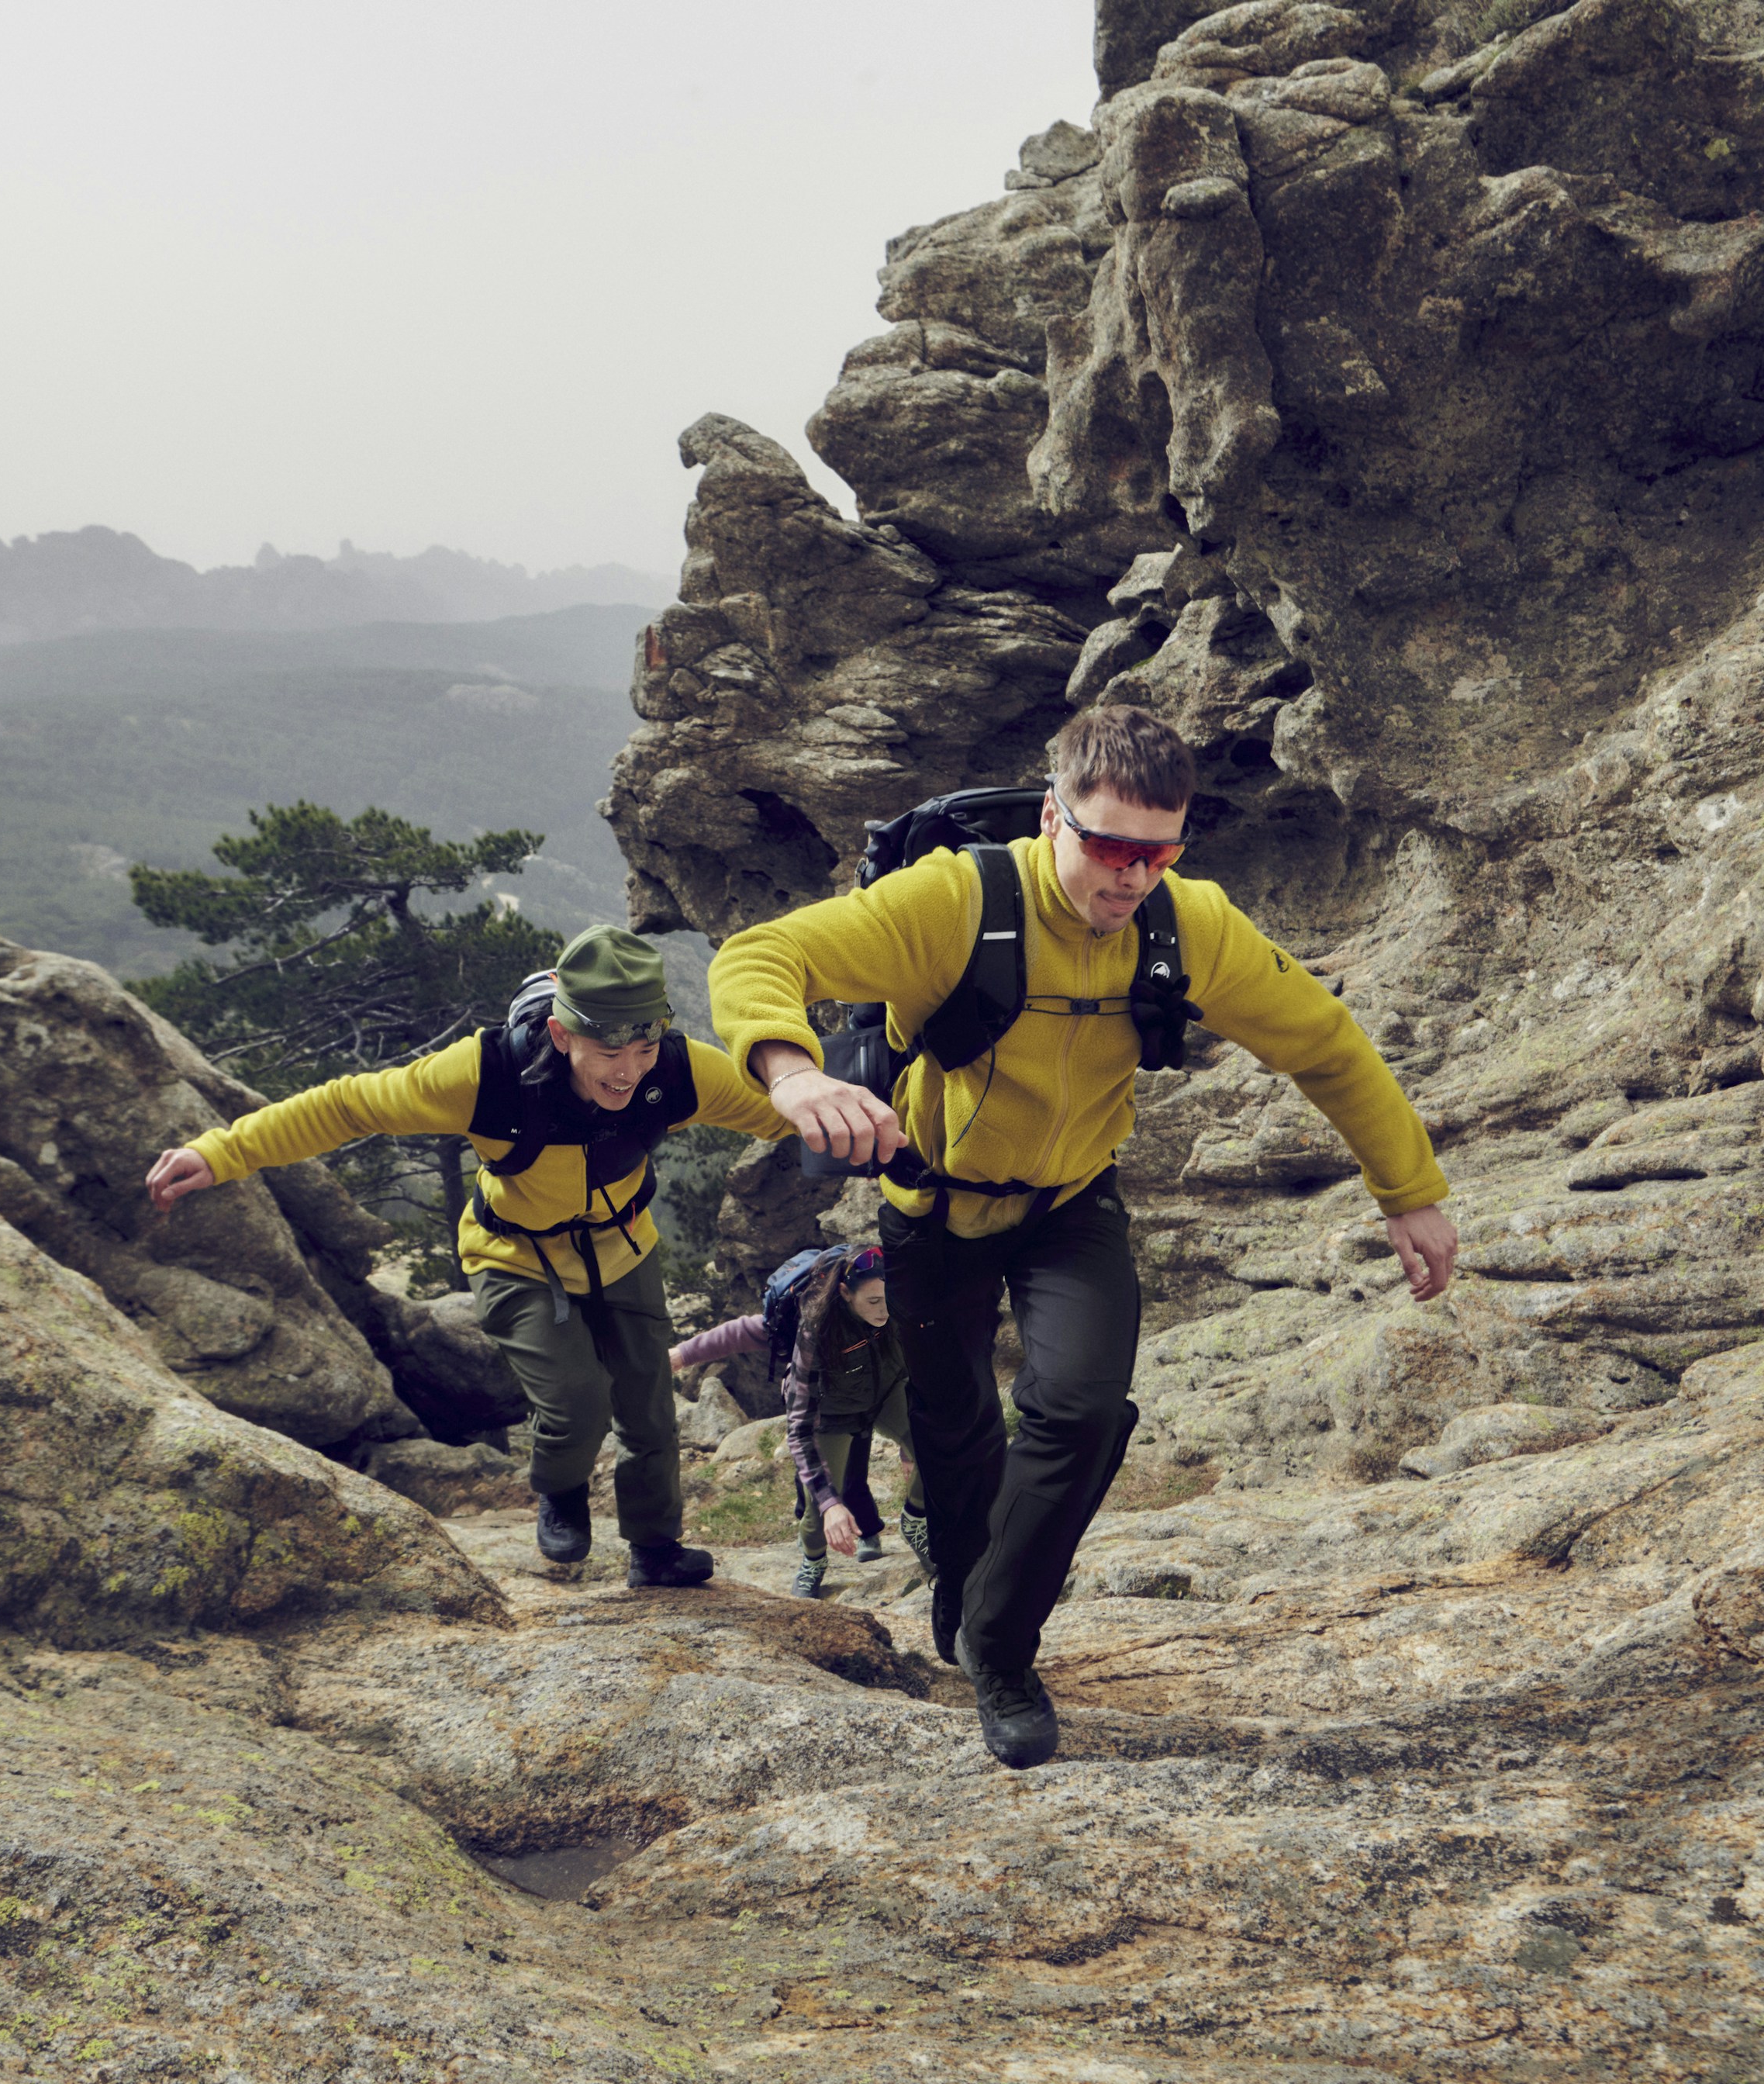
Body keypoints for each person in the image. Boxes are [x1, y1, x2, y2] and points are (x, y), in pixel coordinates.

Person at [709, 703, 1458, 1768]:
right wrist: (792, 1071)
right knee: (958, 1429)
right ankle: (966, 1581)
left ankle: (1000, 1651)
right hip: (932, 1207)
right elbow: (760, 955)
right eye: (1107, 844)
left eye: (1159, 851)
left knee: (1083, 1407)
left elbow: (1326, 1043)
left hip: (1070, 1205)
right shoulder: (955, 901)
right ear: (1053, 813)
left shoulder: (1187, 924)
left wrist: (1408, 1188)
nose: (1130, 875)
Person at [144, 925, 792, 1589]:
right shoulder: (489, 1078)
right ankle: (562, 1490)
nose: (629, 1068)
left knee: (649, 1401)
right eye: (609, 1048)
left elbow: (784, 1108)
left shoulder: (678, 1072)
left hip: (622, 1247)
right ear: (564, 1035)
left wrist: (875, 1119)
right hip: (514, 1253)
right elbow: (348, 1106)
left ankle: (654, 1548)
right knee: (575, 1400)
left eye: (645, 1044)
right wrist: (222, 1151)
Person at [669, 1244, 926, 1598]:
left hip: (885, 1393)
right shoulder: (815, 1331)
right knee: (819, 1509)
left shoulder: (898, 1301)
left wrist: (909, 1447)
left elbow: (914, 1361)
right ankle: (814, 1561)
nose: (884, 1310)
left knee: (935, 1441)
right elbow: (800, 1428)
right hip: (831, 1416)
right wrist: (831, 1505)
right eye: (872, 1302)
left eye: (888, 1299)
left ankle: (916, 1522)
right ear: (844, 1293)